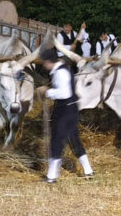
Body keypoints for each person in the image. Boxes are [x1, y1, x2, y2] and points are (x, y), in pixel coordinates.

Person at [36, 48, 94, 183]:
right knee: (74, 140)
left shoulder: (60, 72)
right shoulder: (60, 69)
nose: (44, 65)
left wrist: (47, 91)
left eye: (44, 62)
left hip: (65, 110)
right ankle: (88, 170)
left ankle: (51, 177)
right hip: (70, 109)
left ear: (49, 62)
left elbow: (64, 93)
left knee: (56, 141)